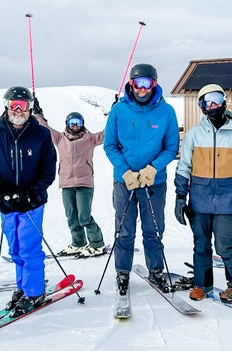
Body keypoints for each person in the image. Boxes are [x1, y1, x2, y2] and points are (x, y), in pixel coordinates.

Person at [0, 86, 57, 318]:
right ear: (7, 106)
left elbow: (48, 171)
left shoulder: (41, 134)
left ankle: (34, 292)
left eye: (23, 106)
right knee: (15, 249)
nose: (19, 110)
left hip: (32, 202)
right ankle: (22, 287)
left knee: (29, 248)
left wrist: (32, 193)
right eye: (14, 105)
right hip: (7, 203)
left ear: (30, 108)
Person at [174, 84, 232, 303]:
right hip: (199, 201)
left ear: (224, 101)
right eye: (207, 101)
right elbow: (183, 168)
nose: (212, 105)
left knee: (225, 246)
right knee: (201, 245)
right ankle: (203, 284)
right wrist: (180, 197)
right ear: (201, 106)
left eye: (216, 99)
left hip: (227, 202)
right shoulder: (193, 135)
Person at [103, 63, 180, 295]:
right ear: (131, 84)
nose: (142, 88)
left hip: (153, 181)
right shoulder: (119, 110)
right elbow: (110, 145)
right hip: (125, 181)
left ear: (154, 84)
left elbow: (171, 147)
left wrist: (152, 169)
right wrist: (125, 171)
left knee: (153, 229)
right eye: (138, 83)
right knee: (124, 230)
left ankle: (155, 270)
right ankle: (122, 271)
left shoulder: (167, 112)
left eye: (147, 83)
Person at [33, 107, 106, 258]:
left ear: (82, 124)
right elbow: (45, 129)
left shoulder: (90, 139)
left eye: (77, 122)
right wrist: (38, 115)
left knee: (84, 216)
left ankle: (97, 244)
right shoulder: (60, 138)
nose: (74, 125)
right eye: (72, 122)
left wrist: (114, 113)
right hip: (66, 183)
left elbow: (106, 133)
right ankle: (78, 243)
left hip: (84, 183)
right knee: (71, 216)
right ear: (67, 123)